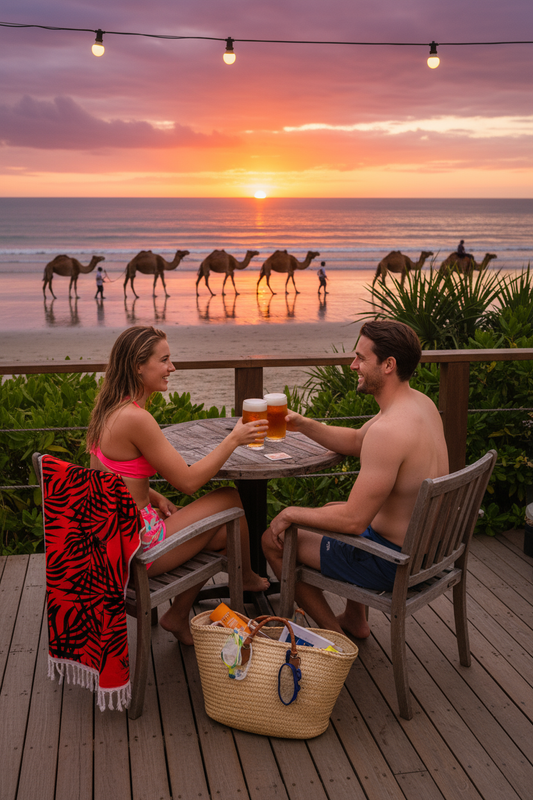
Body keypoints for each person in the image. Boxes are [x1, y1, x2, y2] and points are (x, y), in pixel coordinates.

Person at [262, 320, 448, 639]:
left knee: (272, 539)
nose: (353, 365)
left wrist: (288, 513)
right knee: (332, 506)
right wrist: (303, 423)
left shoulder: (388, 431)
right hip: (431, 551)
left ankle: (333, 638)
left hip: (393, 562)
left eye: (361, 358)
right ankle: (354, 619)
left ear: (388, 365)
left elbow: (352, 521)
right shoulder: (419, 404)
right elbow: (357, 441)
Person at [86, 325, 269, 645]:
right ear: (137, 366)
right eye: (165, 360)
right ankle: (247, 577)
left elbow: (104, 473)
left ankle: (178, 615)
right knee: (229, 498)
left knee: (222, 529)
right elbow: (188, 482)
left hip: (117, 538)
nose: (173, 368)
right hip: (139, 547)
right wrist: (234, 439)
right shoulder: (137, 418)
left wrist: (152, 496)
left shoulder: (109, 409)